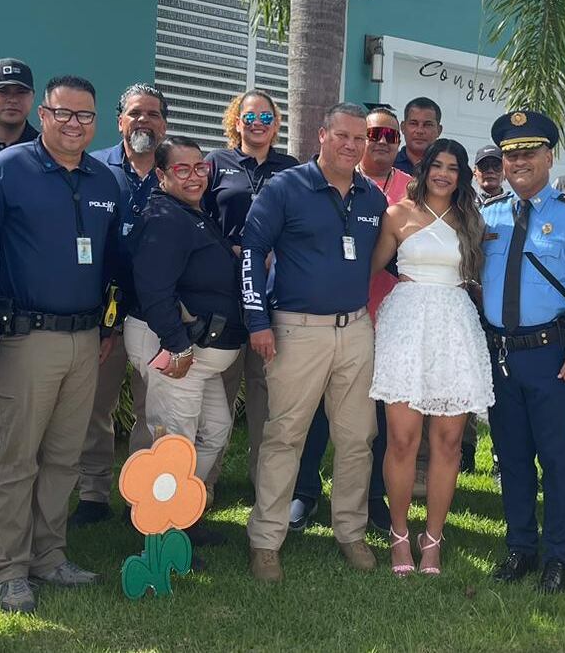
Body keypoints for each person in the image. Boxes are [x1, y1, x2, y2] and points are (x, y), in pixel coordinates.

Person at [0, 75, 126, 613]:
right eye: (63, 113)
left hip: (84, 339)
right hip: (26, 338)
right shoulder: (4, 172)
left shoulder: (105, 181)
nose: (74, 124)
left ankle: (49, 555)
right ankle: (9, 566)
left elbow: (111, 263)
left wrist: (106, 327)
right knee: (17, 458)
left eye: (84, 116)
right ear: (45, 114)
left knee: (63, 457)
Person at [242, 103, 387, 582]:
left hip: (356, 330)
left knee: (356, 438)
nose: (351, 145)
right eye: (342, 136)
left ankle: (350, 532)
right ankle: (266, 540)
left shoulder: (371, 198)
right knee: (285, 435)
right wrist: (257, 321)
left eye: (359, 139)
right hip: (295, 330)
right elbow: (252, 251)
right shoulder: (287, 187)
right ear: (321, 135)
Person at [481, 110, 565, 593]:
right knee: (512, 457)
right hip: (502, 357)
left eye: (528, 153)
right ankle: (520, 547)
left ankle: (558, 556)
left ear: (549, 156)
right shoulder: (488, 215)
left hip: (552, 356)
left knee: (556, 459)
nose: (518, 162)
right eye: (511, 154)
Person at [367, 138, 493, 575]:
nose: (443, 173)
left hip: (455, 326)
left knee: (448, 442)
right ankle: (400, 533)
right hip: (406, 325)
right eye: (436, 165)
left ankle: (433, 538)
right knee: (402, 439)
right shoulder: (397, 214)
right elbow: (369, 268)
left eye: (453, 167)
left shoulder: (471, 220)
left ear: (462, 176)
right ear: (424, 170)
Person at [290, 106, 406, 532]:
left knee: (370, 421)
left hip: (387, 320)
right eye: (372, 133)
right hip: (329, 317)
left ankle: (371, 498)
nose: (379, 141)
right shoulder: (319, 186)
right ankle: (305, 492)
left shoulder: (408, 190)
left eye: (389, 136)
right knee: (315, 412)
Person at [129, 136, 248, 545]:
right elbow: (154, 288)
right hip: (175, 350)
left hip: (200, 358)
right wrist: (176, 345)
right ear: (161, 174)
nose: (195, 176)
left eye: (201, 167)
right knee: (173, 443)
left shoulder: (194, 213)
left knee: (214, 429)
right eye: (182, 169)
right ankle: (161, 533)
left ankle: (180, 511)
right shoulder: (164, 217)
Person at [73, 83, 167, 526]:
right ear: (120, 121)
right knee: (97, 404)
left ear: (164, 124)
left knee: (153, 408)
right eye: (135, 113)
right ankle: (93, 493)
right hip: (104, 309)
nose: (143, 121)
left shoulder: (180, 171)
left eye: (152, 114)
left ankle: (143, 493)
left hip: (156, 312)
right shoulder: (94, 170)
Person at [208, 90, 300, 490]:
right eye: (250, 117)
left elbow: (300, 224)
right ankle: (202, 485)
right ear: (236, 121)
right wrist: (228, 250)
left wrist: (271, 250)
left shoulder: (291, 169)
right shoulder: (216, 164)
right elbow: (200, 215)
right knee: (217, 393)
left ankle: (266, 487)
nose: (258, 124)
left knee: (267, 395)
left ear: (276, 124)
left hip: (274, 293)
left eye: (266, 117)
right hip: (224, 291)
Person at [394, 96, 442, 174]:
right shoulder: (389, 164)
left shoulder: (445, 170)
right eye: (413, 123)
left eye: (427, 125)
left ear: (439, 130)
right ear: (402, 127)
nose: (420, 131)